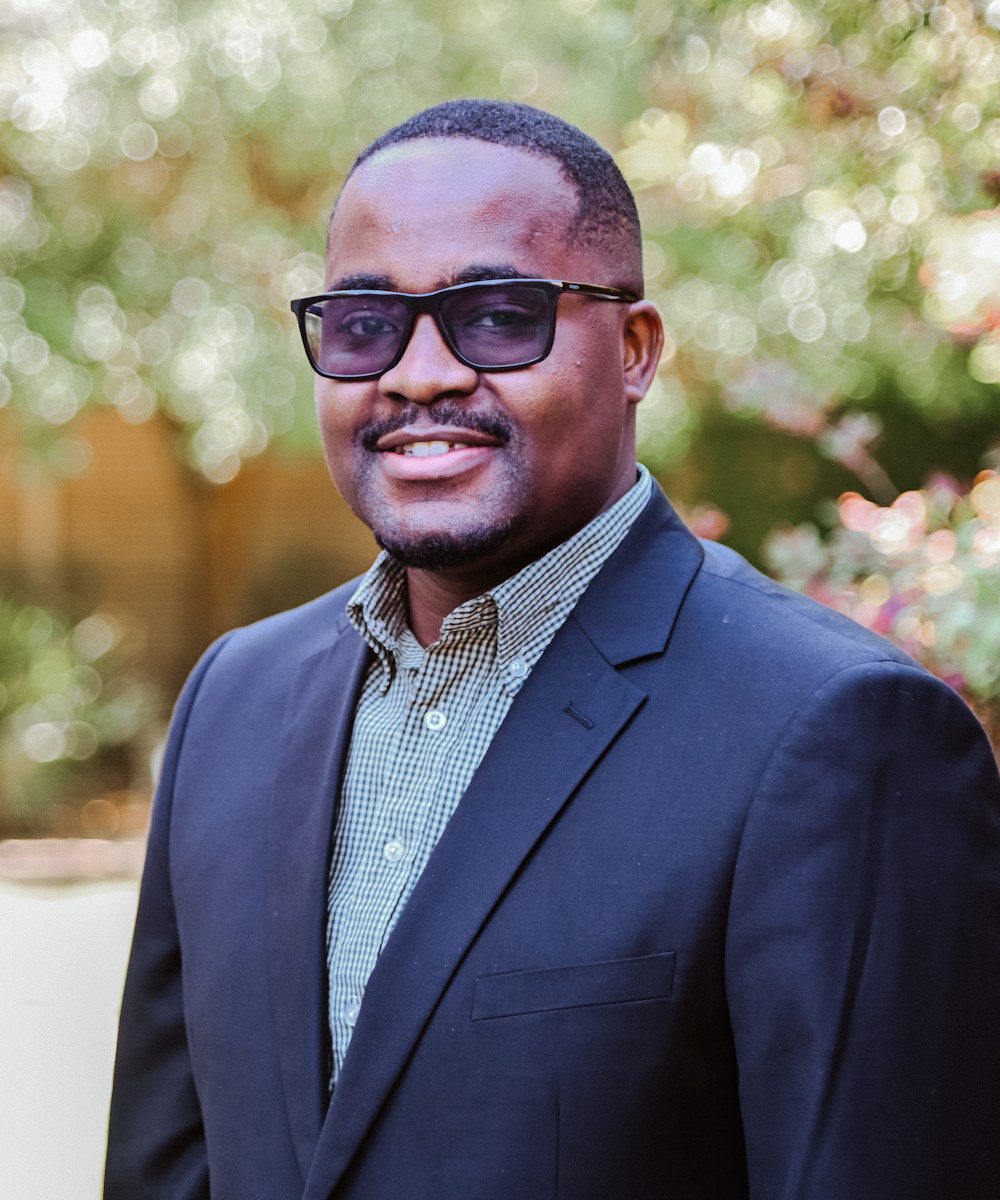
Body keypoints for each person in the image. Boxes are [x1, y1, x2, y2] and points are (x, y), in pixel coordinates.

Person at [105, 100, 1000, 1200]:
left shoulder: (839, 731)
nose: (418, 375)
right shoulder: (233, 702)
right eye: (365, 323)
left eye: (495, 316)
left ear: (634, 350)